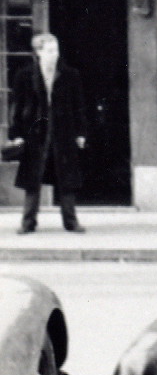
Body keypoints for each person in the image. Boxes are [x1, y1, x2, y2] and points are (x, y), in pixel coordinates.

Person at [8, 32, 88, 234]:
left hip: (63, 133)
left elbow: (79, 107)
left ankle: (71, 222)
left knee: (67, 179)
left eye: (56, 50)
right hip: (36, 134)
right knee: (32, 180)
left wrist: (81, 133)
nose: (55, 54)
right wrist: (16, 134)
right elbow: (16, 107)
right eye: (50, 50)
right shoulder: (24, 76)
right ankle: (28, 222)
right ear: (38, 53)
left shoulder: (70, 75)